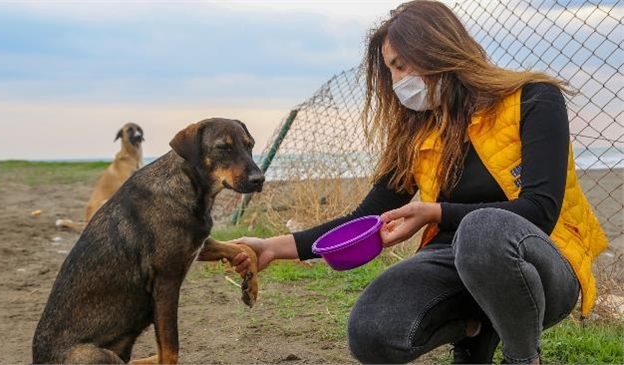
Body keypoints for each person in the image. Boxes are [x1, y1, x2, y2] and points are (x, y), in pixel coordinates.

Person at [229, 1, 609, 363]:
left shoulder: (534, 99)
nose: (396, 82)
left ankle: (523, 357)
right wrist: (273, 248)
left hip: (543, 262)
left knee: (482, 229)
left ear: (437, 49)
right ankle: (475, 334)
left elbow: (539, 211)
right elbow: (369, 214)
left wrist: (435, 211)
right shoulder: (420, 133)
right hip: (453, 261)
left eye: (400, 65)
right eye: (390, 71)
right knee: (371, 331)